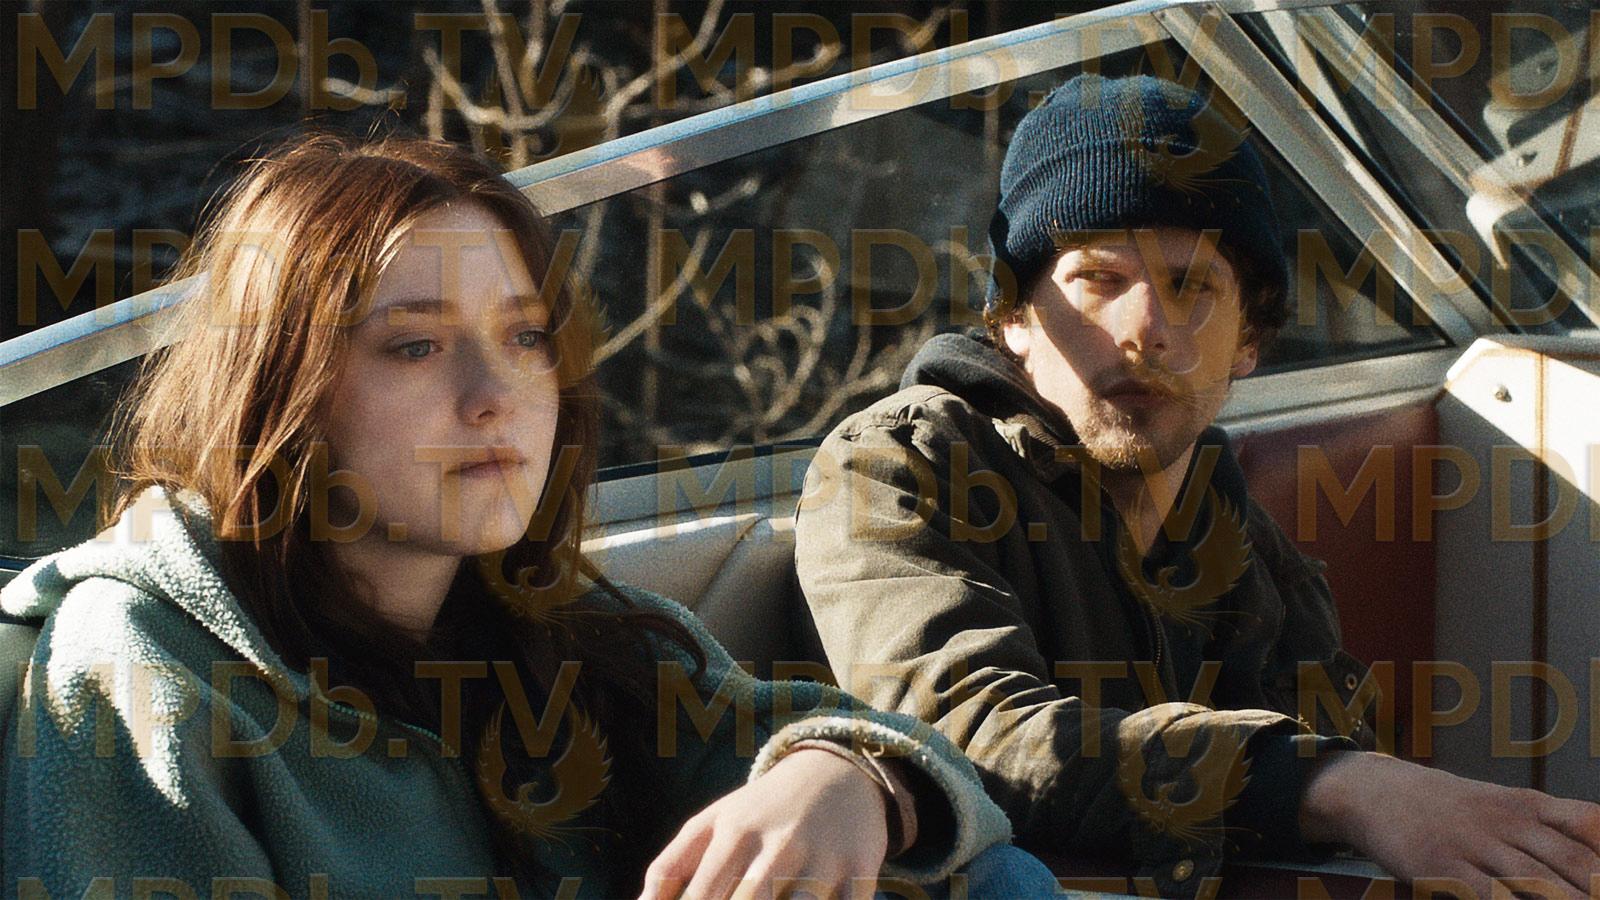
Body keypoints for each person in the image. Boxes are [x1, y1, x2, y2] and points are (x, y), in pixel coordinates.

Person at [0, 134, 1053, 899]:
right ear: (283, 388)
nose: (493, 396)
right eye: (415, 346)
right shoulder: (138, 664)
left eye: (525, 338)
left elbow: (924, 773)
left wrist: (849, 777)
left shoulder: (563, 628)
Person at [793, 74, 1600, 899]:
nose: (1147, 330)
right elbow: (963, 742)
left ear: (1248, 341)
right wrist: (1337, 784)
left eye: (1192, 286)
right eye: (1099, 279)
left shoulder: (1241, 538)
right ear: (1015, 321)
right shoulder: (902, 466)